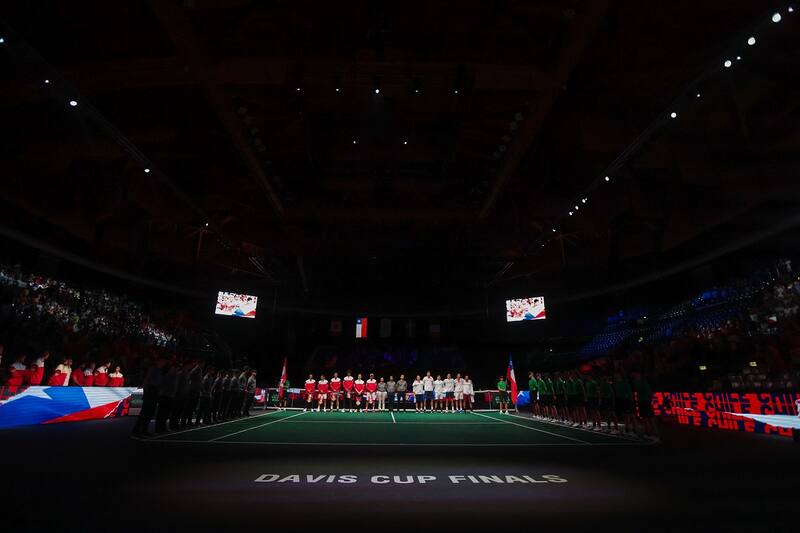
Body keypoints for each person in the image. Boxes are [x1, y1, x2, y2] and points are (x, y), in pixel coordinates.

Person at [132, 357, 164, 437]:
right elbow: (146, 380)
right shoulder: (152, 369)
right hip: (150, 392)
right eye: (162, 361)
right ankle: (136, 431)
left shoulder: (159, 370)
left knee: (150, 413)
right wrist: (146, 392)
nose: (163, 363)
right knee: (144, 413)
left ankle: (144, 430)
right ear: (158, 361)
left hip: (155, 393)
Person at [156, 362, 179, 434]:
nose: (175, 370)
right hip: (164, 397)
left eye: (177, 369)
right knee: (161, 414)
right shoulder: (166, 376)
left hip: (171, 397)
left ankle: (163, 428)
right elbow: (162, 387)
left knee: (166, 414)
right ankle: (158, 429)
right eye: (174, 369)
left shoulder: (175, 377)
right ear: (170, 369)